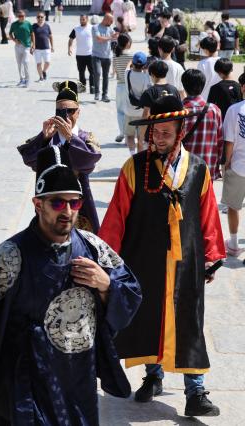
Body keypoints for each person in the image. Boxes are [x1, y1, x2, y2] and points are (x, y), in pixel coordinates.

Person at [0, 145, 142, 426]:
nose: (67, 211)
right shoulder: (10, 255)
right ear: (38, 203)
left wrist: (106, 285)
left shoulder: (93, 248)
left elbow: (132, 292)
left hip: (78, 379)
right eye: (57, 202)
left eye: (74, 203)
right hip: (28, 379)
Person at [99, 95, 225, 418]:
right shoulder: (134, 168)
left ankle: (195, 390)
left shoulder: (198, 168)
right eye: (155, 131)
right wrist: (104, 257)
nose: (159, 137)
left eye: (166, 131)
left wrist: (212, 254)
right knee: (150, 318)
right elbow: (116, 217)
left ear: (180, 131)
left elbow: (208, 215)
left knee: (189, 322)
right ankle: (153, 376)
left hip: (187, 263)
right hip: (144, 259)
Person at [18, 81, 102, 232]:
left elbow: (90, 161)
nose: (67, 115)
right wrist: (43, 139)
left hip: (77, 203)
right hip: (50, 200)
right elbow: (30, 160)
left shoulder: (86, 137)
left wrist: (71, 138)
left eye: (71, 110)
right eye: (61, 111)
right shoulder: (48, 137)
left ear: (79, 112)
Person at [180, 69, 224, 180]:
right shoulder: (214, 110)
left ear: (184, 85)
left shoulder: (178, 111)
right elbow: (220, 141)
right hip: (207, 167)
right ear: (203, 85)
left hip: (182, 169)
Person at [221, 73, 245, 256]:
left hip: (237, 165)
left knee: (233, 206)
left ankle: (234, 244)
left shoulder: (234, 110)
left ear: (242, 87)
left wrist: (226, 163)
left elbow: (229, 141)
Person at [124, 52, 152, 153]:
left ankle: (132, 155)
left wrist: (130, 61)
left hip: (129, 111)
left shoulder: (127, 74)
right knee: (141, 138)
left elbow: (127, 66)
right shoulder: (146, 77)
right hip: (142, 112)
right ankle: (140, 158)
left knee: (130, 136)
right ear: (144, 65)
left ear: (134, 63)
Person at [92, 13, 118, 102]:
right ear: (106, 19)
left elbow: (115, 37)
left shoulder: (110, 28)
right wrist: (111, 37)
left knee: (106, 76)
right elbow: (99, 39)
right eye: (111, 21)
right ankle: (97, 92)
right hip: (96, 56)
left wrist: (116, 35)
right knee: (98, 73)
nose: (112, 23)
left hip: (107, 56)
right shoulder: (95, 27)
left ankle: (105, 95)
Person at [114, 33, 134, 144]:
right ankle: (129, 135)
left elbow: (116, 72)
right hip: (129, 86)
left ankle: (122, 132)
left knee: (120, 111)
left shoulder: (116, 55)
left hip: (120, 85)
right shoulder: (131, 56)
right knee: (129, 112)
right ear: (127, 43)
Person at [68, 15, 95, 95]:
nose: (82, 21)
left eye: (83, 19)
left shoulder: (92, 28)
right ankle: (82, 87)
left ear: (87, 19)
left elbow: (97, 38)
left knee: (92, 72)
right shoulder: (76, 29)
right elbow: (71, 39)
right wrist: (69, 48)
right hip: (80, 55)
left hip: (90, 54)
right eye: (80, 19)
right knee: (81, 72)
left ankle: (92, 87)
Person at [9, 10, 33, 87]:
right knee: (19, 63)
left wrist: (33, 44)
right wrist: (14, 40)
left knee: (26, 62)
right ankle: (21, 79)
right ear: (17, 16)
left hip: (26, 46)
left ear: (25, 16)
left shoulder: (28, 24)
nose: (21, 17)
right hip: (17, 46)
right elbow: (10, 34)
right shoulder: (14, 24)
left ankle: (27, 79)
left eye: (22, 16)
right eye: (19, 16)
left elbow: (32, 34)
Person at [31, 12, 54, 82]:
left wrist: (52, 46)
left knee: (48, 62)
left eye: (41, 17)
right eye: (38, 17)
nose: (40, 18)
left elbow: (50, 36)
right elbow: (31, 36)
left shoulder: (47, 26)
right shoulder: (33, 26)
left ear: (44, 17)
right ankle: (41, 77)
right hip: (37, 48)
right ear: (36, 18)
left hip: (46, 47)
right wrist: (32, 46)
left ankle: (43, 71)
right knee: (38, 64)